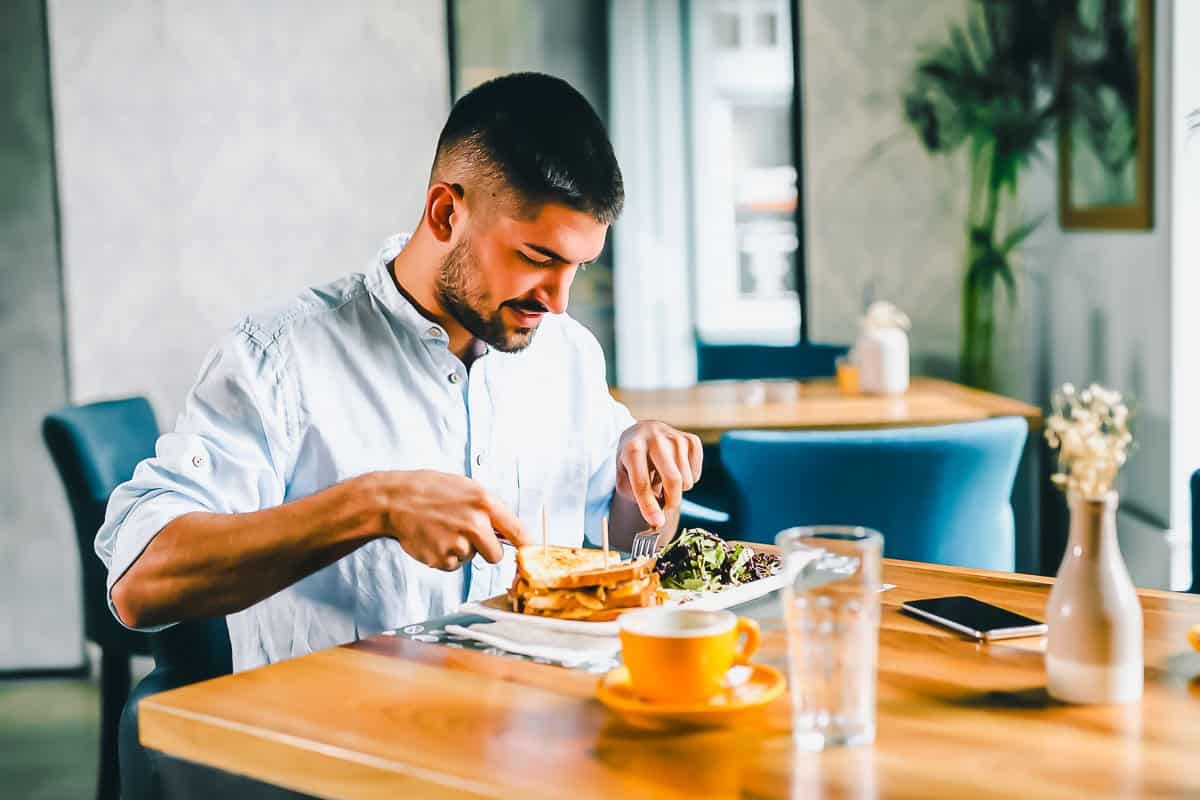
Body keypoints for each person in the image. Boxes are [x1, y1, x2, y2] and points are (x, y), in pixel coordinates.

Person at [95, 72, 703, 671]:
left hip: (538, 742)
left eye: (578, 266)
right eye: (537, 258)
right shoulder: (278, 357)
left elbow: (630, 550)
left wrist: (640, 487)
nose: (559, 299)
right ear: (445, 213)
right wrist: (372, 506)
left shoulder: (567, 353)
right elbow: (140, 583)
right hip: (346, 760)